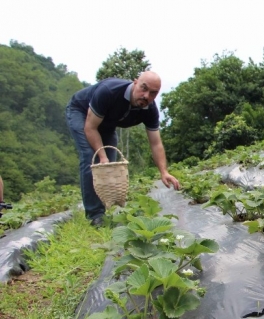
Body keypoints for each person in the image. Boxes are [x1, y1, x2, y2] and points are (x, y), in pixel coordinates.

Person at [66, 71, 180, 226]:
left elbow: (156, 143)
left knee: (110, 166)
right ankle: (95, 216)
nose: (146, 96)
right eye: (143, 88)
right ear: (135, 83)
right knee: (92, 158)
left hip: (107, 123)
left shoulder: (150, 110)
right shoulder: (109, 91)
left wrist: (163, 171)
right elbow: (91, 128)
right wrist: (102, 156)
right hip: (81, 113)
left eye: (153, 93)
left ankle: (105, 209)